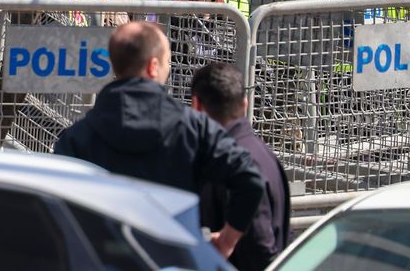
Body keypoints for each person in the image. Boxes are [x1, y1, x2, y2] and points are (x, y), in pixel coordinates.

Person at [53, 21, 264, 259]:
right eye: (167, 61)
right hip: (175, 259)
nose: (168, 68)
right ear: (153, 67)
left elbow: (56, 206)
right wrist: (226, 241)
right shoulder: (194, 127)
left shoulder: (77, 137)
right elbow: (250, 180)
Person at [192, 63, 290, 271]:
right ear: (244, 104)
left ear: (197, 106)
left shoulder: (235, 163)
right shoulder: (261, 153)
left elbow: (260, 250)